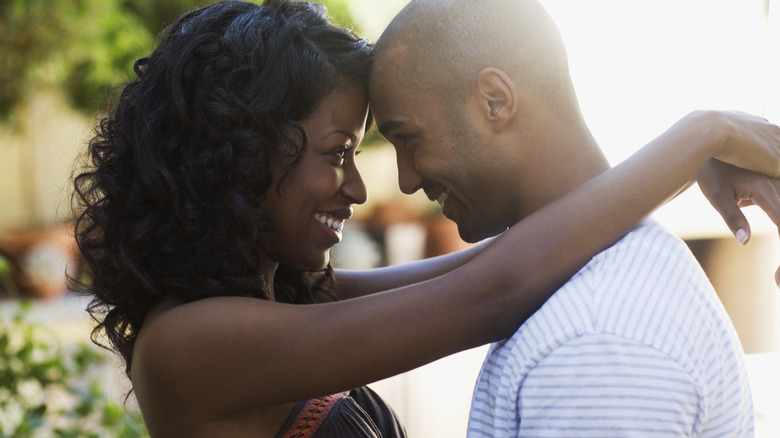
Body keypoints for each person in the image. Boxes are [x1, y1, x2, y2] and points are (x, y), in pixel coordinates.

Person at [70, 0, 780, 437]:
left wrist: (675, 173)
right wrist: (701, 135)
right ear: (240, 153)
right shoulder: (191, 345)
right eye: (339, 152)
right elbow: (494, 291)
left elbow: (498, 262)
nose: (361, 186)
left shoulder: (284, 296)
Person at [369, 0, 780, 436]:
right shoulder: (591, 292)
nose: (406, 181)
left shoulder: (594, 339)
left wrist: (700, 140)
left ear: (495, 101)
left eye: (410, 140)